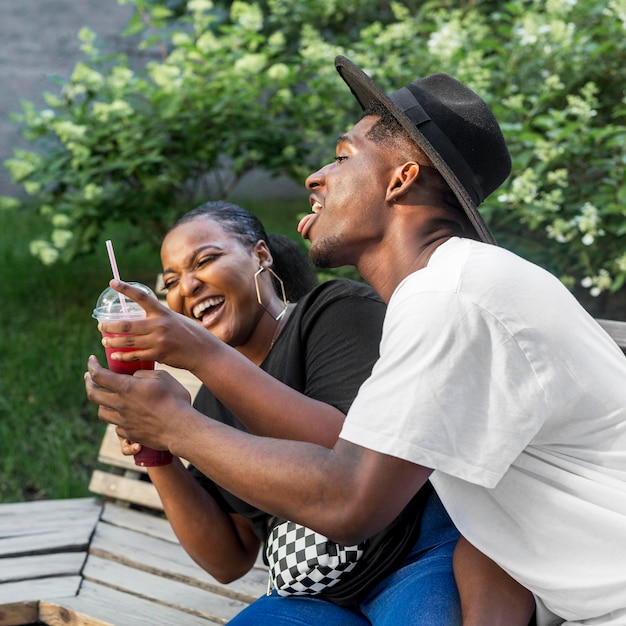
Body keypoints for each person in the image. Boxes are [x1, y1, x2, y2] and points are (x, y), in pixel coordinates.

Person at [84, 55, 626, 625]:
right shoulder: (442, 294)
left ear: (401, 178)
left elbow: (347, 501)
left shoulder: (451, 297)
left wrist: (175, 418)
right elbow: (485, 525)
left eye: (343, 157)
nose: (317, 177)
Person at [100, 200, 464, 625]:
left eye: (206, 260)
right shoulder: (209, 406)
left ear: (260, 255)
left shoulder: (333, 311)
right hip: (311, 597)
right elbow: (229, 558)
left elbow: (347, 452)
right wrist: (157, 446)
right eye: (171, 281)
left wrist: (193, 385)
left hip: (411, 558)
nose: (188, 286)